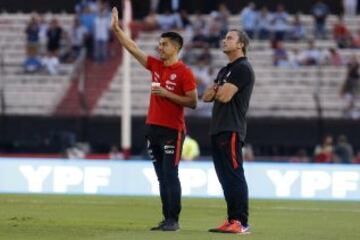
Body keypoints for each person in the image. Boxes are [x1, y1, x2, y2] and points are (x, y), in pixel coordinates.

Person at [111, 6, 197, 231]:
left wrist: (167, 94)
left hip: (172, 130)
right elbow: (132, 47)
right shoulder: (155, 65)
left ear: (176, 47)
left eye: (164, 44)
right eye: (159, 44)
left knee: (171, 174)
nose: (160, 47)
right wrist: (117, 30)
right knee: (161, 177)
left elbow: (193, 102)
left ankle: (174, 220)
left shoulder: (185, 72)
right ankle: (166, 218)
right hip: (153, 129)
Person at [202, 29, 254, 234]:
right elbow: (206, 97)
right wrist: (217, 90)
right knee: (224, 177)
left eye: (230, 38)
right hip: (218, 128)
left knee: (234, 175)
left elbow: (222, 96)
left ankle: (240, 222)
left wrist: (217, 90)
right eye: (224, 37)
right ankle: (232, 218)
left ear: (240, 44)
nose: (225, 40)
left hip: (231, 128)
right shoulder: (225, 71)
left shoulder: (243, 69)